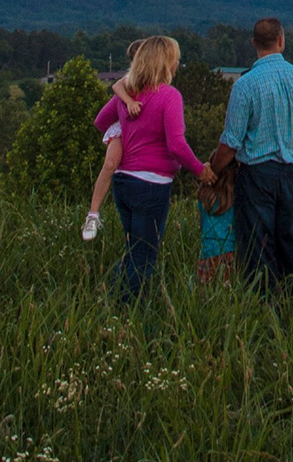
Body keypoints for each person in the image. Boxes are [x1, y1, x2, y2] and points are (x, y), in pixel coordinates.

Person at [91, 36, 213, 299]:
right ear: (166, 63)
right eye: (175, 58)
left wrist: (122, 137)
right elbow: (177, 145)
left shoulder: (128, 94)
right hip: (151, 184)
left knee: (133, 247)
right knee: (144, 254)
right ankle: (126, 308)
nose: (178, 63)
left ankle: (111, 296)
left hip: (123, 182)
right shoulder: (169, 96)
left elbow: (101, 122)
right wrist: (200, 170)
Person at [207, 17, 293, 289]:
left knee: (258, 247)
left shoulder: (245, 85)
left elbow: (231, 141)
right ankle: (291, 302)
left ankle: (263, 305)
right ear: (282, 41)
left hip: (257, 175)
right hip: (292, 172)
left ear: (253, 44)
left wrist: (214, 169)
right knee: (287, 241)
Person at [81, 41, 147, 241]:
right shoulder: (133, 77)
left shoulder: (157, 79)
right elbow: (117, 86)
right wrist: (129, 102)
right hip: (121, 126)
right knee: (110, 164)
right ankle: (93, 214)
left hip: (139, 129)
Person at [196, 159, 239, 283]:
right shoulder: (237, 196)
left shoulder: (204, 195)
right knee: (228, 293)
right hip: (230, 251)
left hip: (207, 251)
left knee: (204, 294)